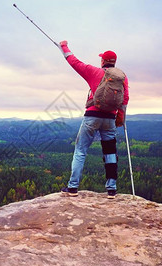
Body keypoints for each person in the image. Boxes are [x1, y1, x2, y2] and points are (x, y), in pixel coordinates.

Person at [59, 41, 129, 199]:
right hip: (110, 119)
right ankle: (111, 189)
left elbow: (74, 62)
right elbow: (125, 100)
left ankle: (73, 187)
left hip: (92, 116)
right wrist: (121, 118)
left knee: (80, 150)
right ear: (114, 62)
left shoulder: (94, 72)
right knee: (110, 152)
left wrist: (63, 47)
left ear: (103, 61)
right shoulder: (122, 78)